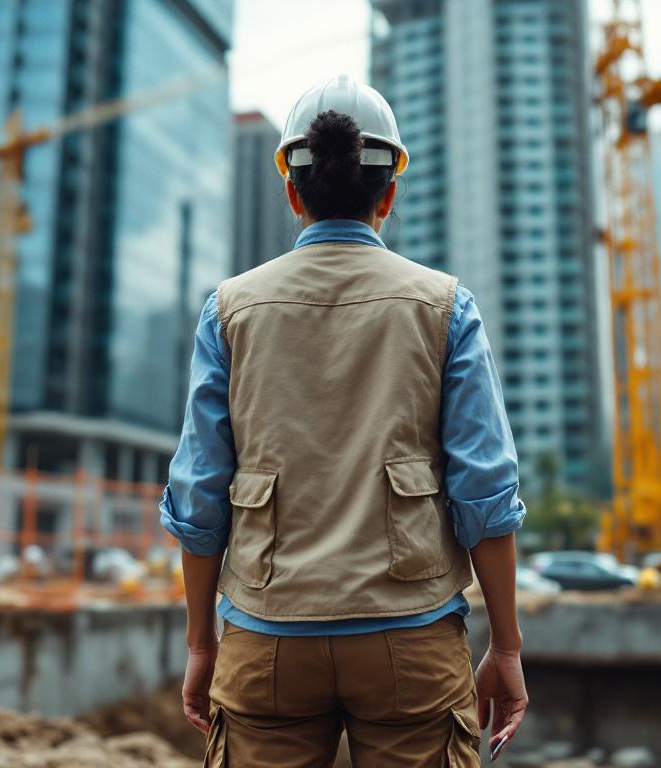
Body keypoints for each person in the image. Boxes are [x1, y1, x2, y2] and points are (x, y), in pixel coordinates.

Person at [160, 75, 528, 766]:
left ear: (292, 192)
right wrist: (505, 648)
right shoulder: (446, 307)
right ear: (387, 193)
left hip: (267, 639)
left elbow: (198, 497)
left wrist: (201, 646)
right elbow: (485, 493)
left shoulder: (229, 310)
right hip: (410, 641)